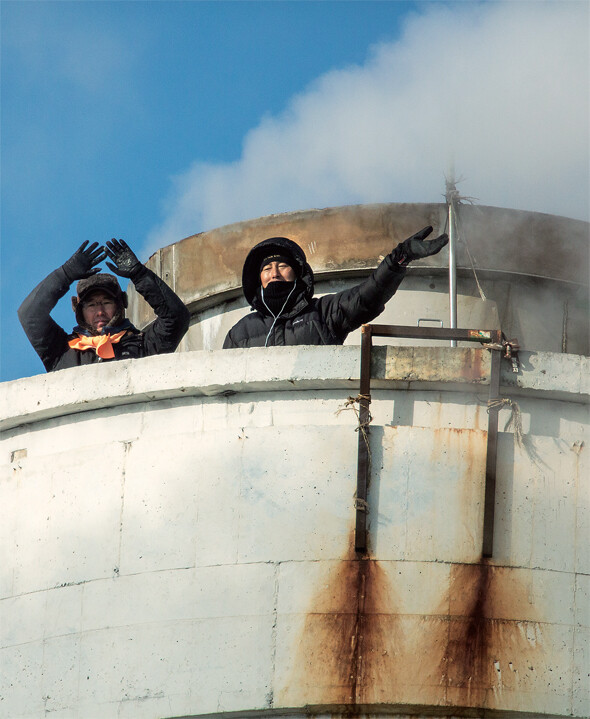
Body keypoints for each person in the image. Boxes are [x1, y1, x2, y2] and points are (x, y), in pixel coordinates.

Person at [223, 226, 448, 348]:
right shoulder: (240, 333)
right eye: (266, 269)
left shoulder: (324, 313)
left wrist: (401, 257)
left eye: (282, 266)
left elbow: (367, 297)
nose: (274, 274)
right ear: (259, 279)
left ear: (298, 273)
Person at [18, 238, 190, 372]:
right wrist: (65, 273)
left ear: (120, 304)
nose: (99, 312)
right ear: (79, 310)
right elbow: (30, 315)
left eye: (106, 303)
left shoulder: (144, 345)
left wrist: (139, 274)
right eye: (91, 305)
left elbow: (176, 317)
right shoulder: (61, 350)